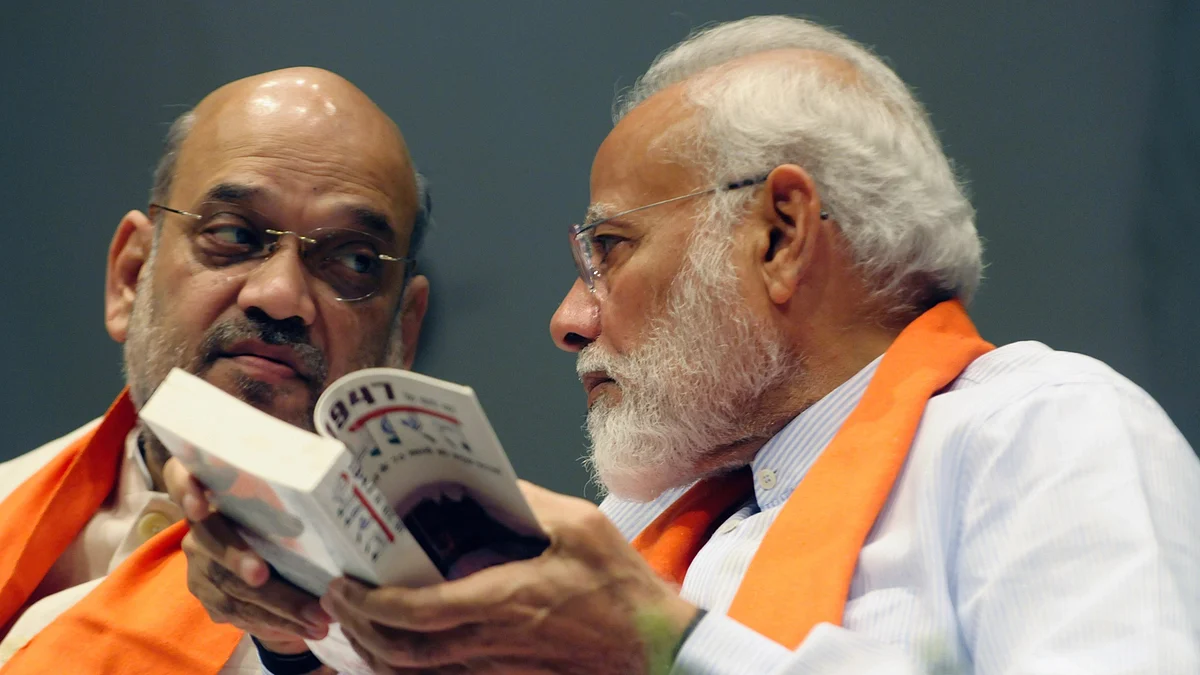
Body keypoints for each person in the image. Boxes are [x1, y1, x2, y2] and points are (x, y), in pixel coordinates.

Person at [289, 15, 1198, 674]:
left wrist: (664, 649)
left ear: (780, 233)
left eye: (608, 250)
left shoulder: (1044, 434)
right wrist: (294, 615)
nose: (568, 318)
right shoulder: (652, 520)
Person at [0, 67, 432, 673]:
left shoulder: (433, 625)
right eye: (233, 234)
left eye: (354, 261)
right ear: (130, 277)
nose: (280, 295)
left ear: (403, 334)